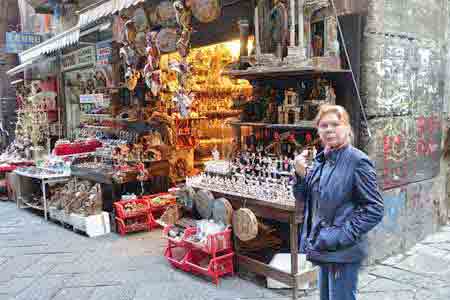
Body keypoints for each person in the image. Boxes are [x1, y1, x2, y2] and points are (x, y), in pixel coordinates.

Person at [293, 104, 384, 300]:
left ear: (347, 128)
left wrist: (338, 236)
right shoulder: (321, 159)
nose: (329, 129)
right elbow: (303, 198)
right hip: (323, 246)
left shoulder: (358, 161)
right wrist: (300, 175)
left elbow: (374, 209)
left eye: (335, 124)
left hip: (342, 250)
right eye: (323, 125)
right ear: (318, 130)